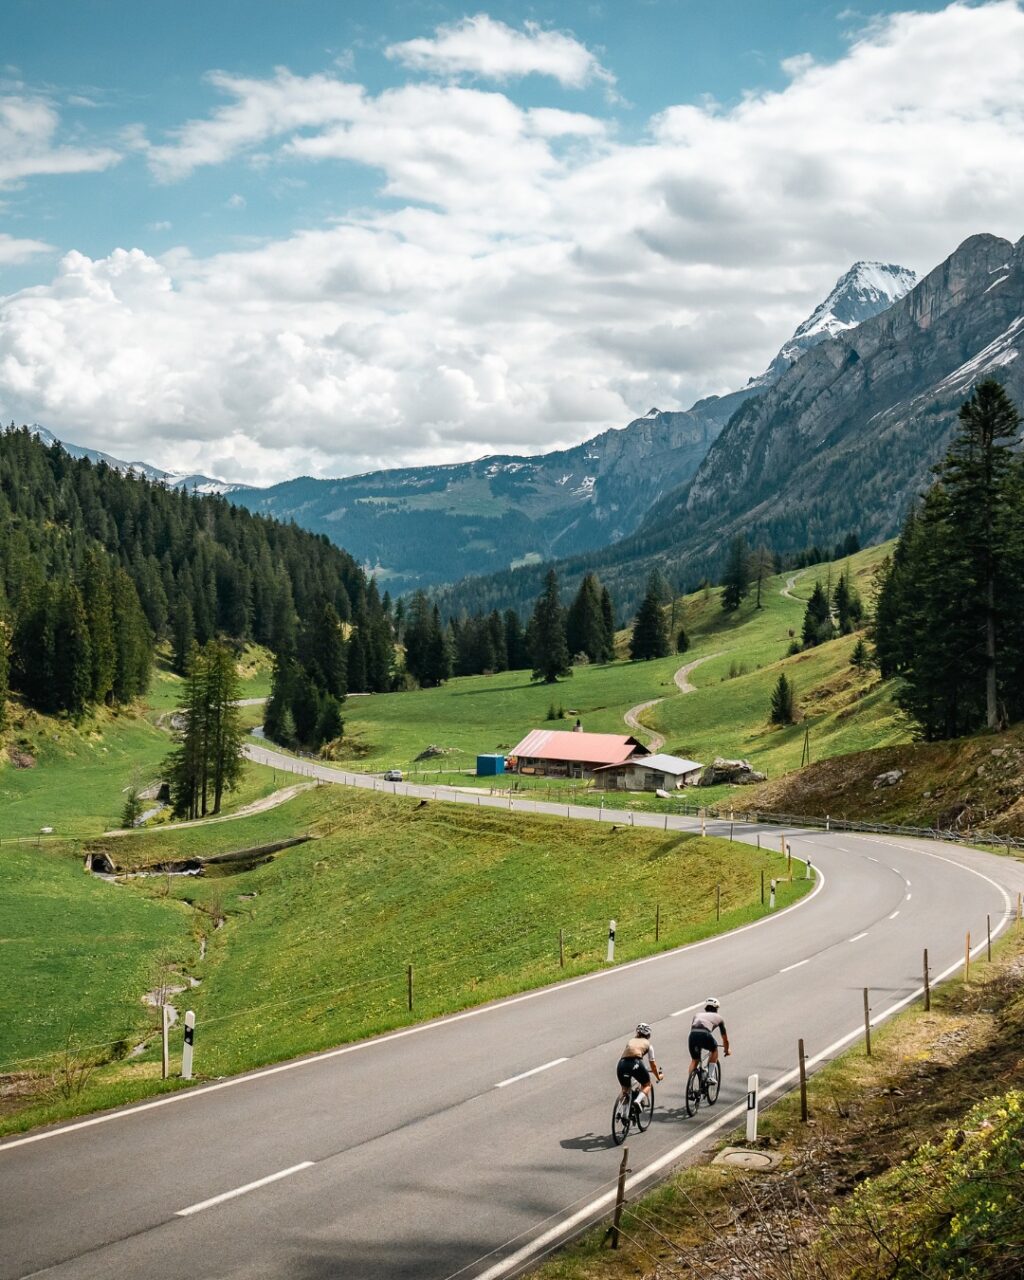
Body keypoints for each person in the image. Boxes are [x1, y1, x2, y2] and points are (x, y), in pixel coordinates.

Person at [616, 1022, 663, 1110]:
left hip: (621, 1064)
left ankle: (624, 1114)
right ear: (648, 1035)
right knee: (647, 1084)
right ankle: (637, 1101)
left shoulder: (631, 1041)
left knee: (625, 1089)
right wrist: (658, 1076)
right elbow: (653, 1065)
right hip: (635, 1064)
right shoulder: (648, 1045)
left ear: (637, 1033)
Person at [688, 997, 730, 1077]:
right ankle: (710, 1076)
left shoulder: (697, 1015)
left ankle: (690, 1082)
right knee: (714, 1050)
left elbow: (694, 1030)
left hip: (692, 1035)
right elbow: (725, 1039)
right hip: (705, 1034)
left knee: (694, 1060)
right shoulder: (719, 1018)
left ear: (706, 1008)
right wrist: (726, 1050)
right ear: (716, 1009)